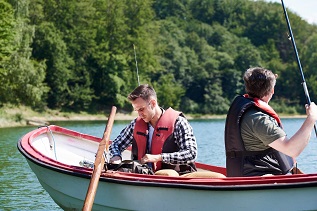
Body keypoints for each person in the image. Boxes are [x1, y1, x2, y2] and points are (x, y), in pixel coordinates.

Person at [225, 67, 317, 177]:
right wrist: (311, 118)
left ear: (247, 87)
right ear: (272, 90)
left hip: (251, 174)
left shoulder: (250, 112)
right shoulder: (259, 119)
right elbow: (292, 150)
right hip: (260, 179)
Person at [109, 84, 197, 175]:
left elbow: (191, 154)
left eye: (141, 109)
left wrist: (159, 157)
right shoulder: (136, 124)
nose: (139, 114)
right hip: (144, 176)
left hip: (175, 178)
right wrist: (116, 156)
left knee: (169, 174)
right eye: (136, 110)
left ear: (153, 103)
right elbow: (115, 145)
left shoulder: (179, 123)